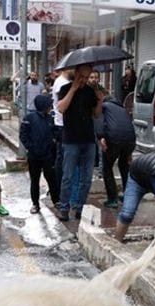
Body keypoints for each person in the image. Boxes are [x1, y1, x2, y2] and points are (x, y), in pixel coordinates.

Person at [56, 63, 104, 222]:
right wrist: (73, 89)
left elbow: (96, 115)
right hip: (71, 140)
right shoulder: (65, 89)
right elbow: (61, 108)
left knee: (86, 178)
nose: (84, 80)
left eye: (87, 76)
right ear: (75, 74)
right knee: (68, 176)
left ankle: (79, 207)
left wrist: (99, 101)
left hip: (88, 140)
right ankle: (64, 207)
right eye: (81, 76)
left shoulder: (91, 91)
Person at [19, 95, 59, 214]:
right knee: (35, 180)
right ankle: (35, 204)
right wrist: (31, 147)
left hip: (48, 155)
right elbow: (23, 135)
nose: (50, 107)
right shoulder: (29, 118)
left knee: (52, 179)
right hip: (34, 156)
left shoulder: (51, 118)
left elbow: (55, 132)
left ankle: (56, 201)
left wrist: (54, 143)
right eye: (48, 105)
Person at [95, 94, 136, 209]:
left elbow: (99, 121)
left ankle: (112, 199)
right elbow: (129, 126)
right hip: (130, 140)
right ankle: (129, 196)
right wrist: (130, 152)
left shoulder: (104, 106)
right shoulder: (123, 110)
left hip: (113, 139)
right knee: (124, 166)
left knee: (107, 168)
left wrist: (101, 137)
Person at [51, 67, 71, 198]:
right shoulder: (63, 83)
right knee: (62, 159)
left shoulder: (61, 81)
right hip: (62, 125)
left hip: (63, 125)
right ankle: (58, 190)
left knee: (62, 158)